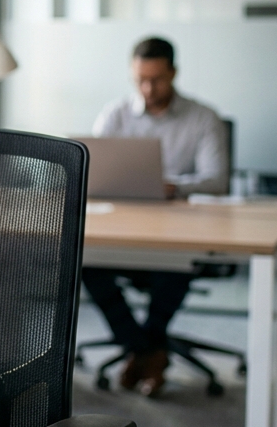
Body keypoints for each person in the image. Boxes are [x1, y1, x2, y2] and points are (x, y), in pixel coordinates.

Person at [83, 36, 228, 396]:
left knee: (173, 264)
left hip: (179, 229)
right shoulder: (115, 114)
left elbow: (217, 180)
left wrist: (173, 187)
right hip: (122, 225)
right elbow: (95, 170)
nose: (148, 88)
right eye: (140, 80)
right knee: (83, 259)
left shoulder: (203, 118)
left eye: (157, 79)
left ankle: (141, 350)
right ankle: (147, 349)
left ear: (174, 73)